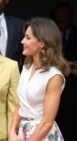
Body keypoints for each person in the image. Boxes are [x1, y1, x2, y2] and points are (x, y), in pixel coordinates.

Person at [8, 17, 70, 141]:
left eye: (28, 38)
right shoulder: (26, 68)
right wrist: (12, 133)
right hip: (22, 133)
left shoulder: (54, 76)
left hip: (42, 135)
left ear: (42, 43)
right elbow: (21, 105)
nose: (22, 41)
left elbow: (47, 122)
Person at [50, 2, 77, 141]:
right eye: (58, 20)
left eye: (64, 20)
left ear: (71, 18)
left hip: (73, 88)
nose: (61, 23)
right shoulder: (50, 39)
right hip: (54, 87)